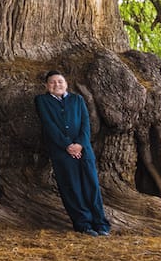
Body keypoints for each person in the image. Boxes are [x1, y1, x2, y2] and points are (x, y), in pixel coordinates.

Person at [35, 71, 109, 236]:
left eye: (60, 81)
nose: (57, 85)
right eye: (52, 82)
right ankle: (83, 224)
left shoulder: (77, 99)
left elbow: (85, 123)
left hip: (84, 150)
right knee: (72, 188)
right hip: (61, 152)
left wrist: (80, 144)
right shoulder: (42, 101)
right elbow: (49, 125)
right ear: (47, 86)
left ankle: (101, 223)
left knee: (92, 186)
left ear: (66, 83)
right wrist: (67, 145)